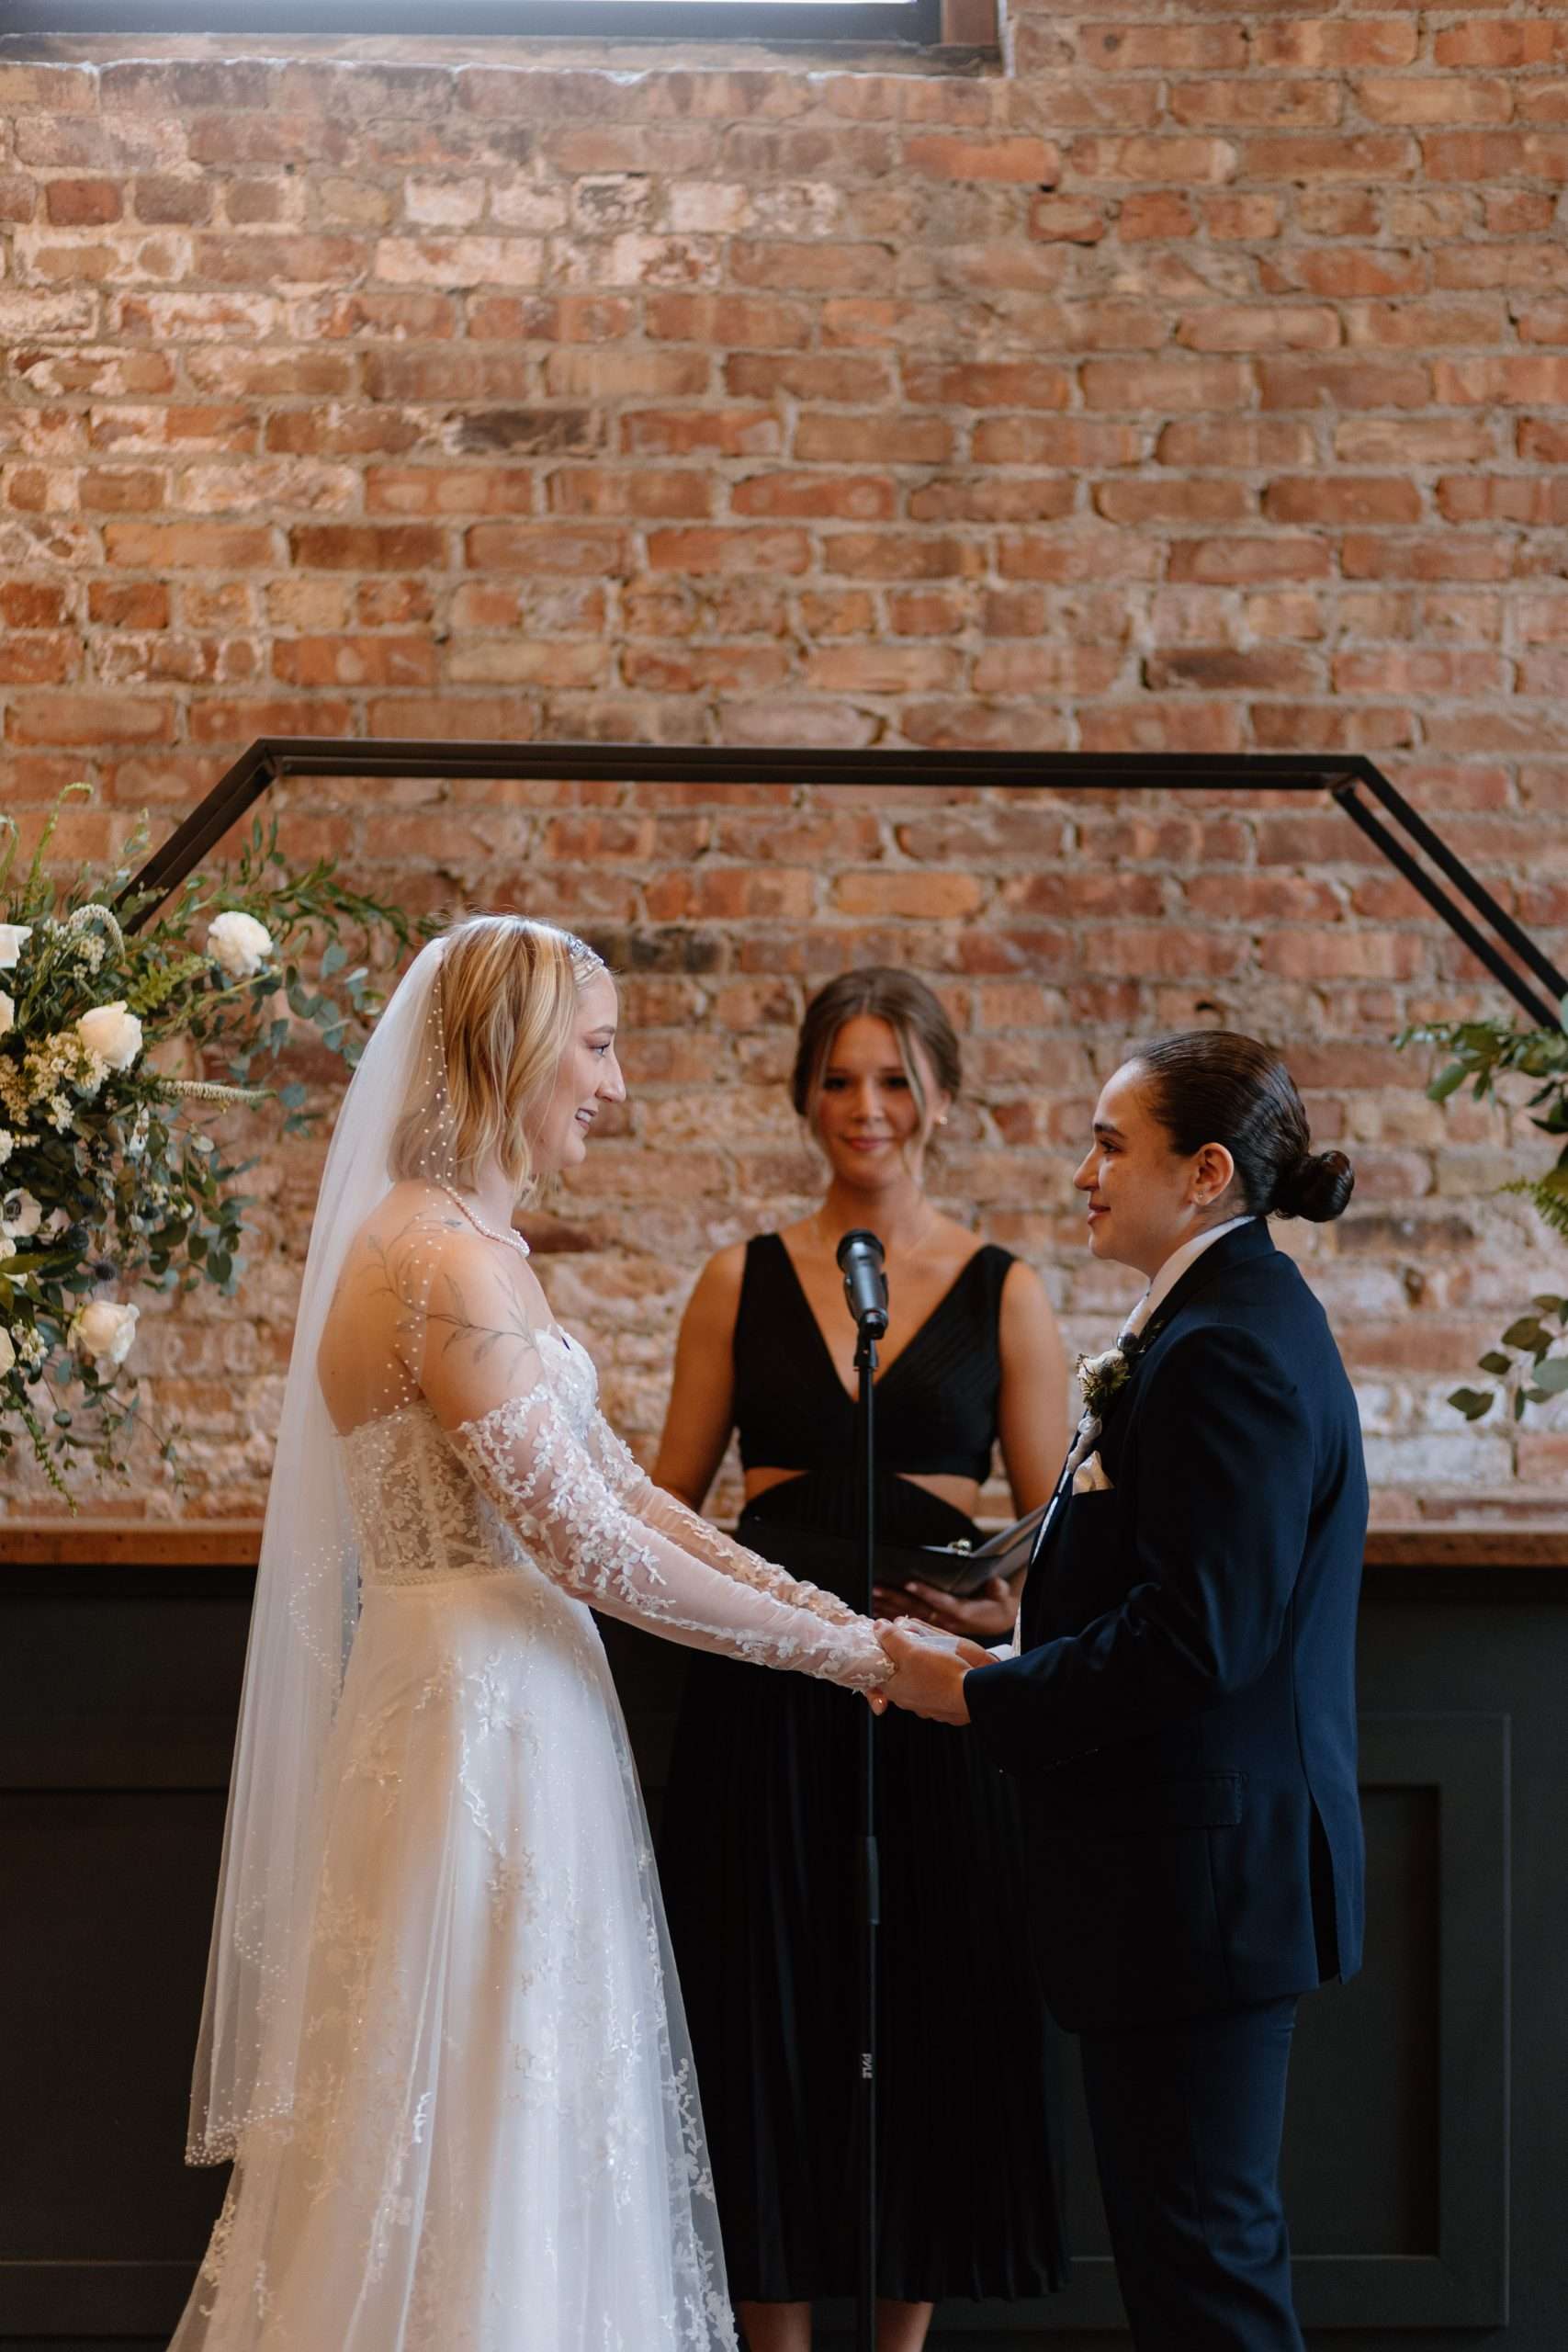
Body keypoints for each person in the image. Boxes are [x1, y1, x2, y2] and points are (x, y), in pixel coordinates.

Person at [169, 916, 932, 2352]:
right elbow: (584, 1546)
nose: (616, 1082)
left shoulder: (461, 1251)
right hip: (482, 1726)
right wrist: (862, 1661)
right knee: (476, 2123)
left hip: (499, 1706)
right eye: (594, 1045)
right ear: (513, 1051)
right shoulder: (439, 1267)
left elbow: (627, 1494)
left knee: (516, 2110)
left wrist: (830, 1616)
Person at [879, 1031, 1369, 2352]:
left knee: (1207, 2275)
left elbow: (1200, 1637)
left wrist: (977, 1700)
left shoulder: (1230, 1348)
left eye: (1110, 1143)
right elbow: (1178, 1579)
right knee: (1189, 2264)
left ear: (1204, 1172)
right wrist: (1017, 1622)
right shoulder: (1216, 1318)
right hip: (1185, 1878)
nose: (1083, 1168)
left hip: (1199, 1883)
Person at [653, 967, 1072, 2352]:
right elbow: (661, 1504)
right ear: (802, 1096)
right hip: (759, 1714)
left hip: (933, 1710)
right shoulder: (739, 1279)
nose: (866, 1108)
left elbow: (1057, 1541)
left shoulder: (1007, 1292)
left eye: (894, 1079)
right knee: (765, 2007)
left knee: (927, 2009)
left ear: (942, 1098)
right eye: (839, 1078)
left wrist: (986, 1626)